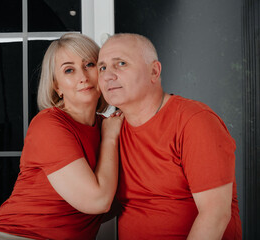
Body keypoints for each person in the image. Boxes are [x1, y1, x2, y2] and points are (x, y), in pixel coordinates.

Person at [0, 33, 124, 240]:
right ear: (57, 87)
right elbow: (97, 202)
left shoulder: (107, 126)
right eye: (69, 70)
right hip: (15, 236)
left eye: (89, 64)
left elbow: (109, 204)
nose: (82, 76)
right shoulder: (49, 124)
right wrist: (110, 137)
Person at [97, 33, 242, 239]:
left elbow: (215, 215)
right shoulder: (111, 129)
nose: (108, 75)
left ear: (154, 71)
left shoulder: (194, 121)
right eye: (102, 67)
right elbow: (102, 206)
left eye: (121, 63)